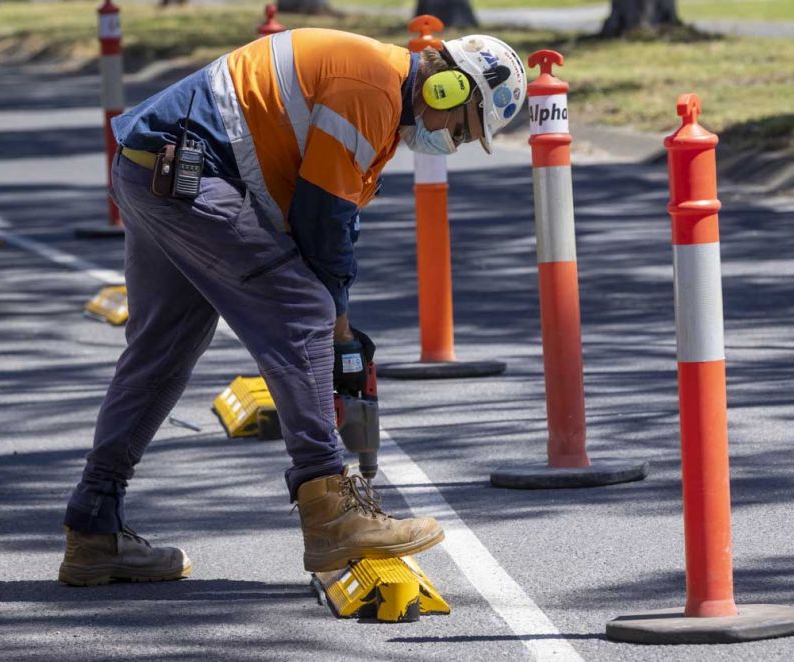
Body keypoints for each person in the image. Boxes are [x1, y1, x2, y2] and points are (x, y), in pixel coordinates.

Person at [58, 27, 527, 586]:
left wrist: (343, 327)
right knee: (305, 313)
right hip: (187, 175)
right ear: (449, 89)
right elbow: (320, 220)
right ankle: (330, 506)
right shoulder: (371, 87)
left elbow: (326, 218)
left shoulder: (382, 96)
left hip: (154, 168)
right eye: (464, 129)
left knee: (163, 351)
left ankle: (93, 525)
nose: (454, 141)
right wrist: (336, 326)